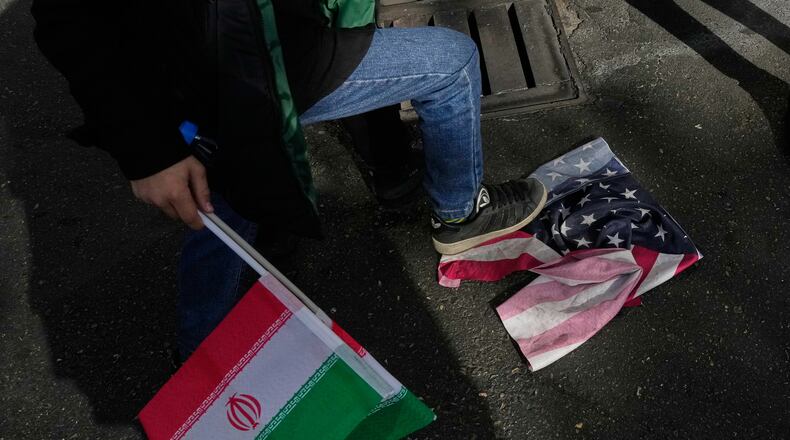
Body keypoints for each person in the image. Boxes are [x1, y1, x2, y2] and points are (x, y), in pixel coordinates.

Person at [32, 0, 546, 359]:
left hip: (257, 60)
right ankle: (462, 215)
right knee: (451, 61)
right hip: (243, 74)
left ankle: (202, 359)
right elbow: (68, 19)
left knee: (228, 194)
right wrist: (147, 152)